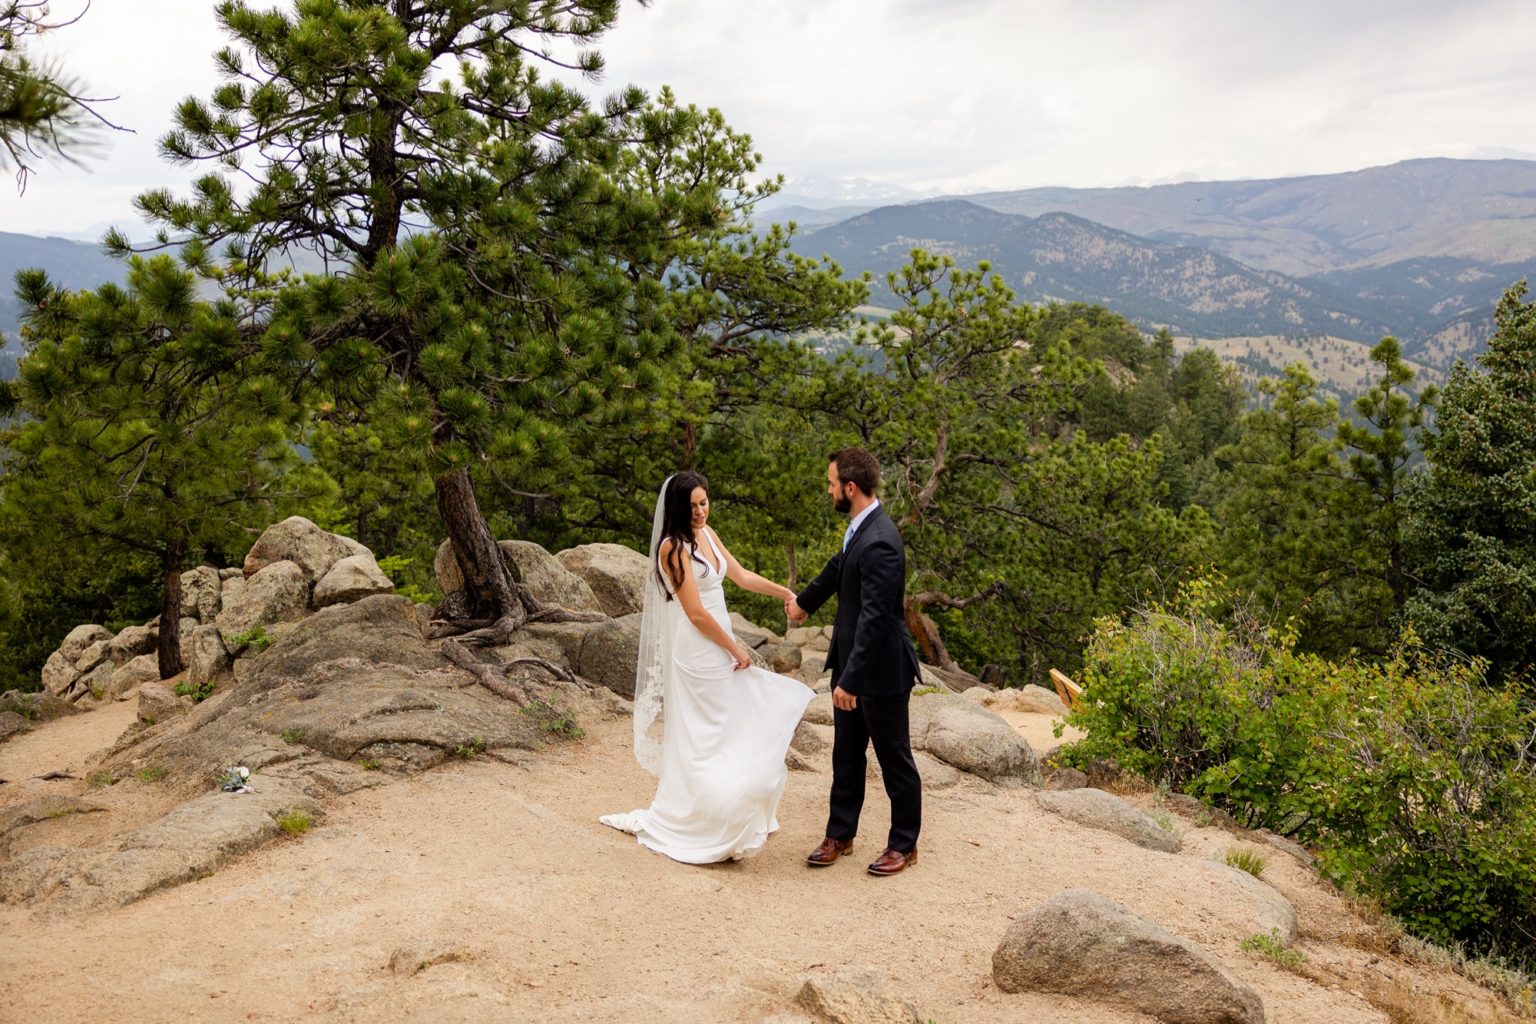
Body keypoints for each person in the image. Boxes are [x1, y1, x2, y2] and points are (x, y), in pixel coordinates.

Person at [601, 471, 813, 864]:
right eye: (692, 505)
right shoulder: (672, 548)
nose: (699, 511)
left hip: (719, 643)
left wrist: (784, 592)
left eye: (704, 503)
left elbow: (741, 576)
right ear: (677, 507)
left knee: (729, 726)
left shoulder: (708, 534)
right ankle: (700, 817)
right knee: (706, 733)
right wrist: (737, 649)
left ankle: (729, 810)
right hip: (699, 650)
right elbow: (695, 613)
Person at [787, 448, 922, 876]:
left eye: (831, 484)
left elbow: (875, 620)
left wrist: (850, 681)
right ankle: (840, 835)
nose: (828, 490)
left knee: (894, 758)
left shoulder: (881, 541)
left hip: (878, 672)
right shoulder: (860, 528)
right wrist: (803, 603)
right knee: (846, 756)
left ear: (850, 488)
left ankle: (904, 844)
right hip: (853, 667)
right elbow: (838, 567)